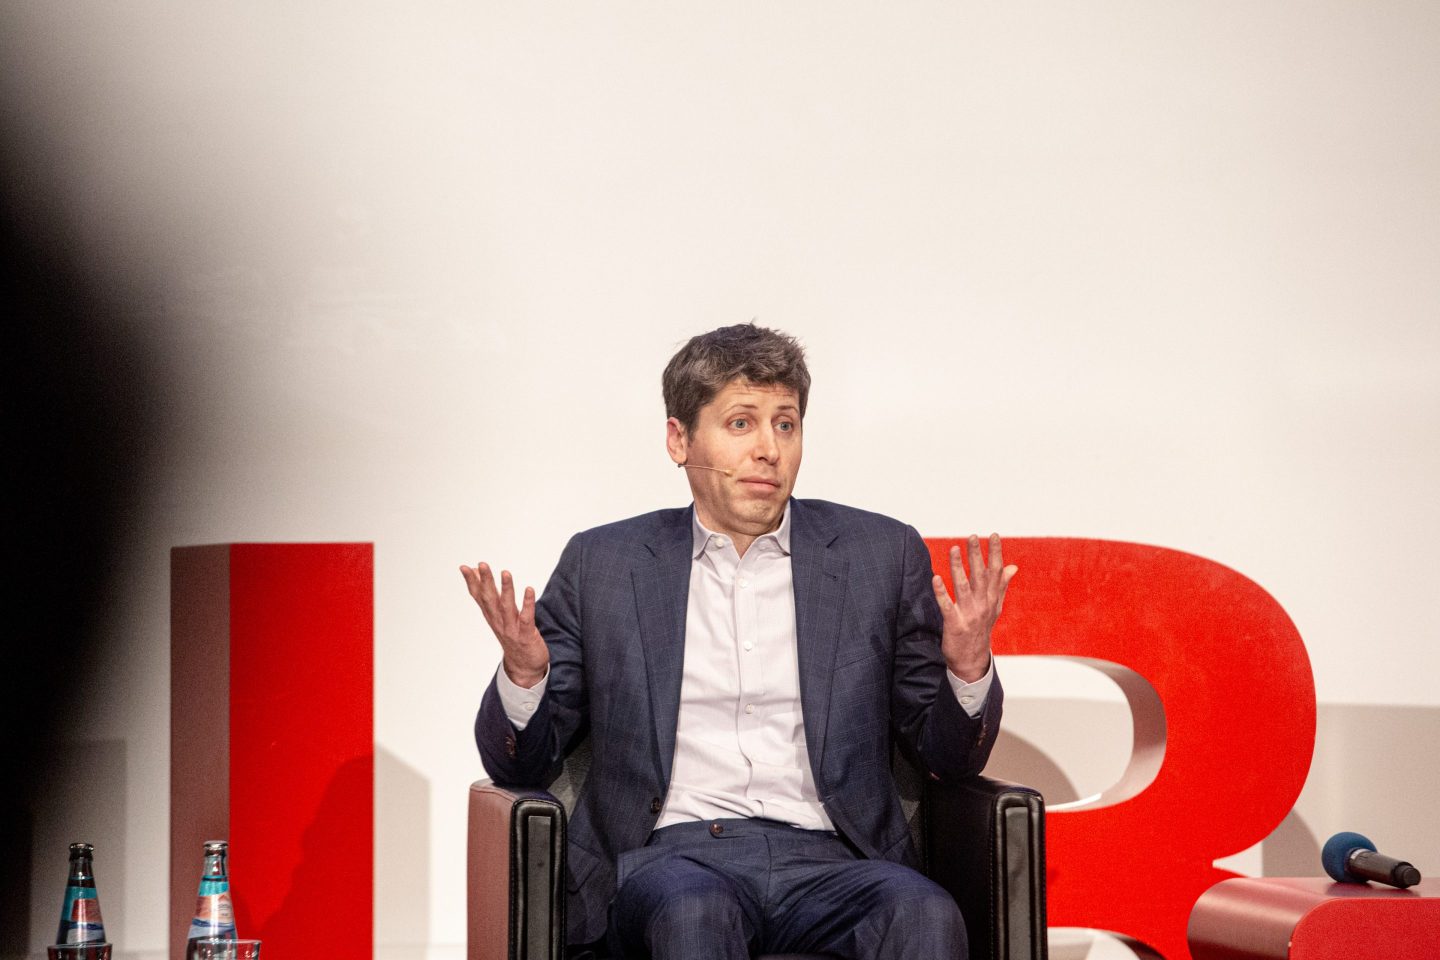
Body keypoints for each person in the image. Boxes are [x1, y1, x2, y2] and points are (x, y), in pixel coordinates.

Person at [463, 323, 1016, 960]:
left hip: (835, 859)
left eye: (785, 424)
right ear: (679, 439)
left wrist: (968, 672)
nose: (769, 450)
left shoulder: (879, 556)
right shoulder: (605, 564)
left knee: (922, 911)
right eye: (740, 423)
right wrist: (525, 677)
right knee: (696, 913)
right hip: (673, 859)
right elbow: (518, 766)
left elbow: (949, 758)